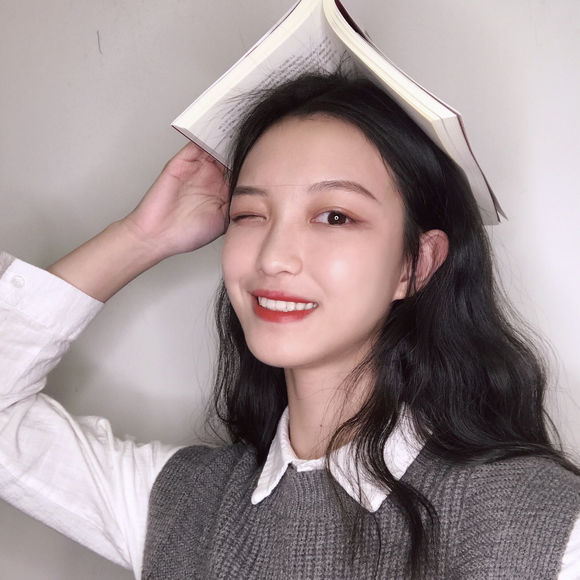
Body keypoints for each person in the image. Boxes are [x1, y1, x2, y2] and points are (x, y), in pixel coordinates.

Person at [1, 73, 579, 579]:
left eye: (335, 216)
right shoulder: (184, 505)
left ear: (416, 263)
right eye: (249, 214)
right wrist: (140, 238)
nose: (273, 256)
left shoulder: (540, 524)